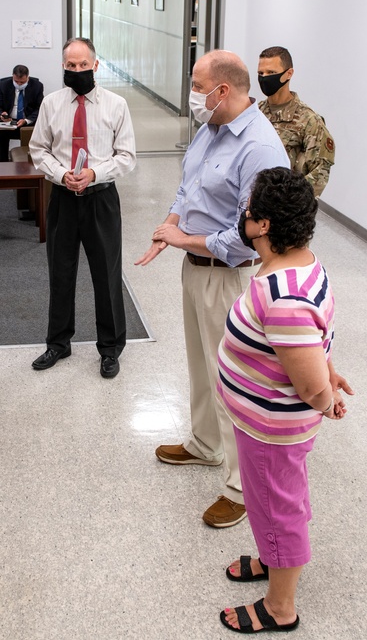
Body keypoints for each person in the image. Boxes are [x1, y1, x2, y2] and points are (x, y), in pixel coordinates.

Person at [136, 50, 289, 528]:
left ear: (223, 91)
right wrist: (170, 224)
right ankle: (205, 443)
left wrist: (187, 238)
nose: (193, 94)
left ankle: (242, 485)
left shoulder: (260, 148)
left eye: (198, 86)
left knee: (237, 382)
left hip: (230, 277)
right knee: (202, 365)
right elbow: (190, 188)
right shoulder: (211, 129)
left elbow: (251, 234)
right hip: (195, 267)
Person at [216, 167, 352, 633]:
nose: (244, 214)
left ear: (265, 225)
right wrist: (328, 373)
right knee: (273, 501)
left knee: (279, 508)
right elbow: (315, 341)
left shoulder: (283, 295)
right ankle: (273, 556)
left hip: (272, 431)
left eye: (250, 208)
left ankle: (280, 607)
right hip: (265, 423)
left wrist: (325, 392)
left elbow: (309, 379)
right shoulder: (302, 263)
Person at [28, 37, 137, 379]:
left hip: (101, 198)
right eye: (69, 66)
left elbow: (127, 156)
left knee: (106, 274)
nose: (76, 70)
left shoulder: (116, 105)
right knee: (60, 273)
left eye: (81, 65)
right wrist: (62, 174)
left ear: (95, 65)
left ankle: (110, 348)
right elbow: (38, 150)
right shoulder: (51, 103)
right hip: (62, 198)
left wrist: (93, 173)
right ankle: (58, 343)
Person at [256, 46, 335, 197]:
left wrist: (289, 202)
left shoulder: (309, 121)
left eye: (271, 73)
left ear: (288, 74)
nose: (264, 77)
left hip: (285, 207)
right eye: (260, 73)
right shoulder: (256, 113)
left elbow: (319, 174)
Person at [0, 64, 44, 162]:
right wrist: (1, 115)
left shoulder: (37, 86)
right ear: (12, 76)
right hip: (9, 122)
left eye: (22, 82)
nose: (19, 84)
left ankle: (31, 162)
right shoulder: (3, 86)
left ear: (27, 77)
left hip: (28, 122)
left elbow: (40, 108)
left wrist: (26, 120)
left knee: (36, 134)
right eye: (16, 81)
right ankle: (3, 162)